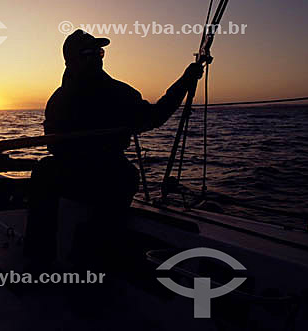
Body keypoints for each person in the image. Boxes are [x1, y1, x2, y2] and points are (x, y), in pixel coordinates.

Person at [24, 30, 203, 264]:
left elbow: (154, 117)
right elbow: (54, 145)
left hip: (104, 173)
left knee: (118, 175)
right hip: (81, 175)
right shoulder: (62, 99)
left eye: (100, 52)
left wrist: (184, 81)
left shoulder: (117, 93)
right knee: (46, 170)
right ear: (73, 59)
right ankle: (39, 260)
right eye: (90, 53)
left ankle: (89, 257)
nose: (98, 57)